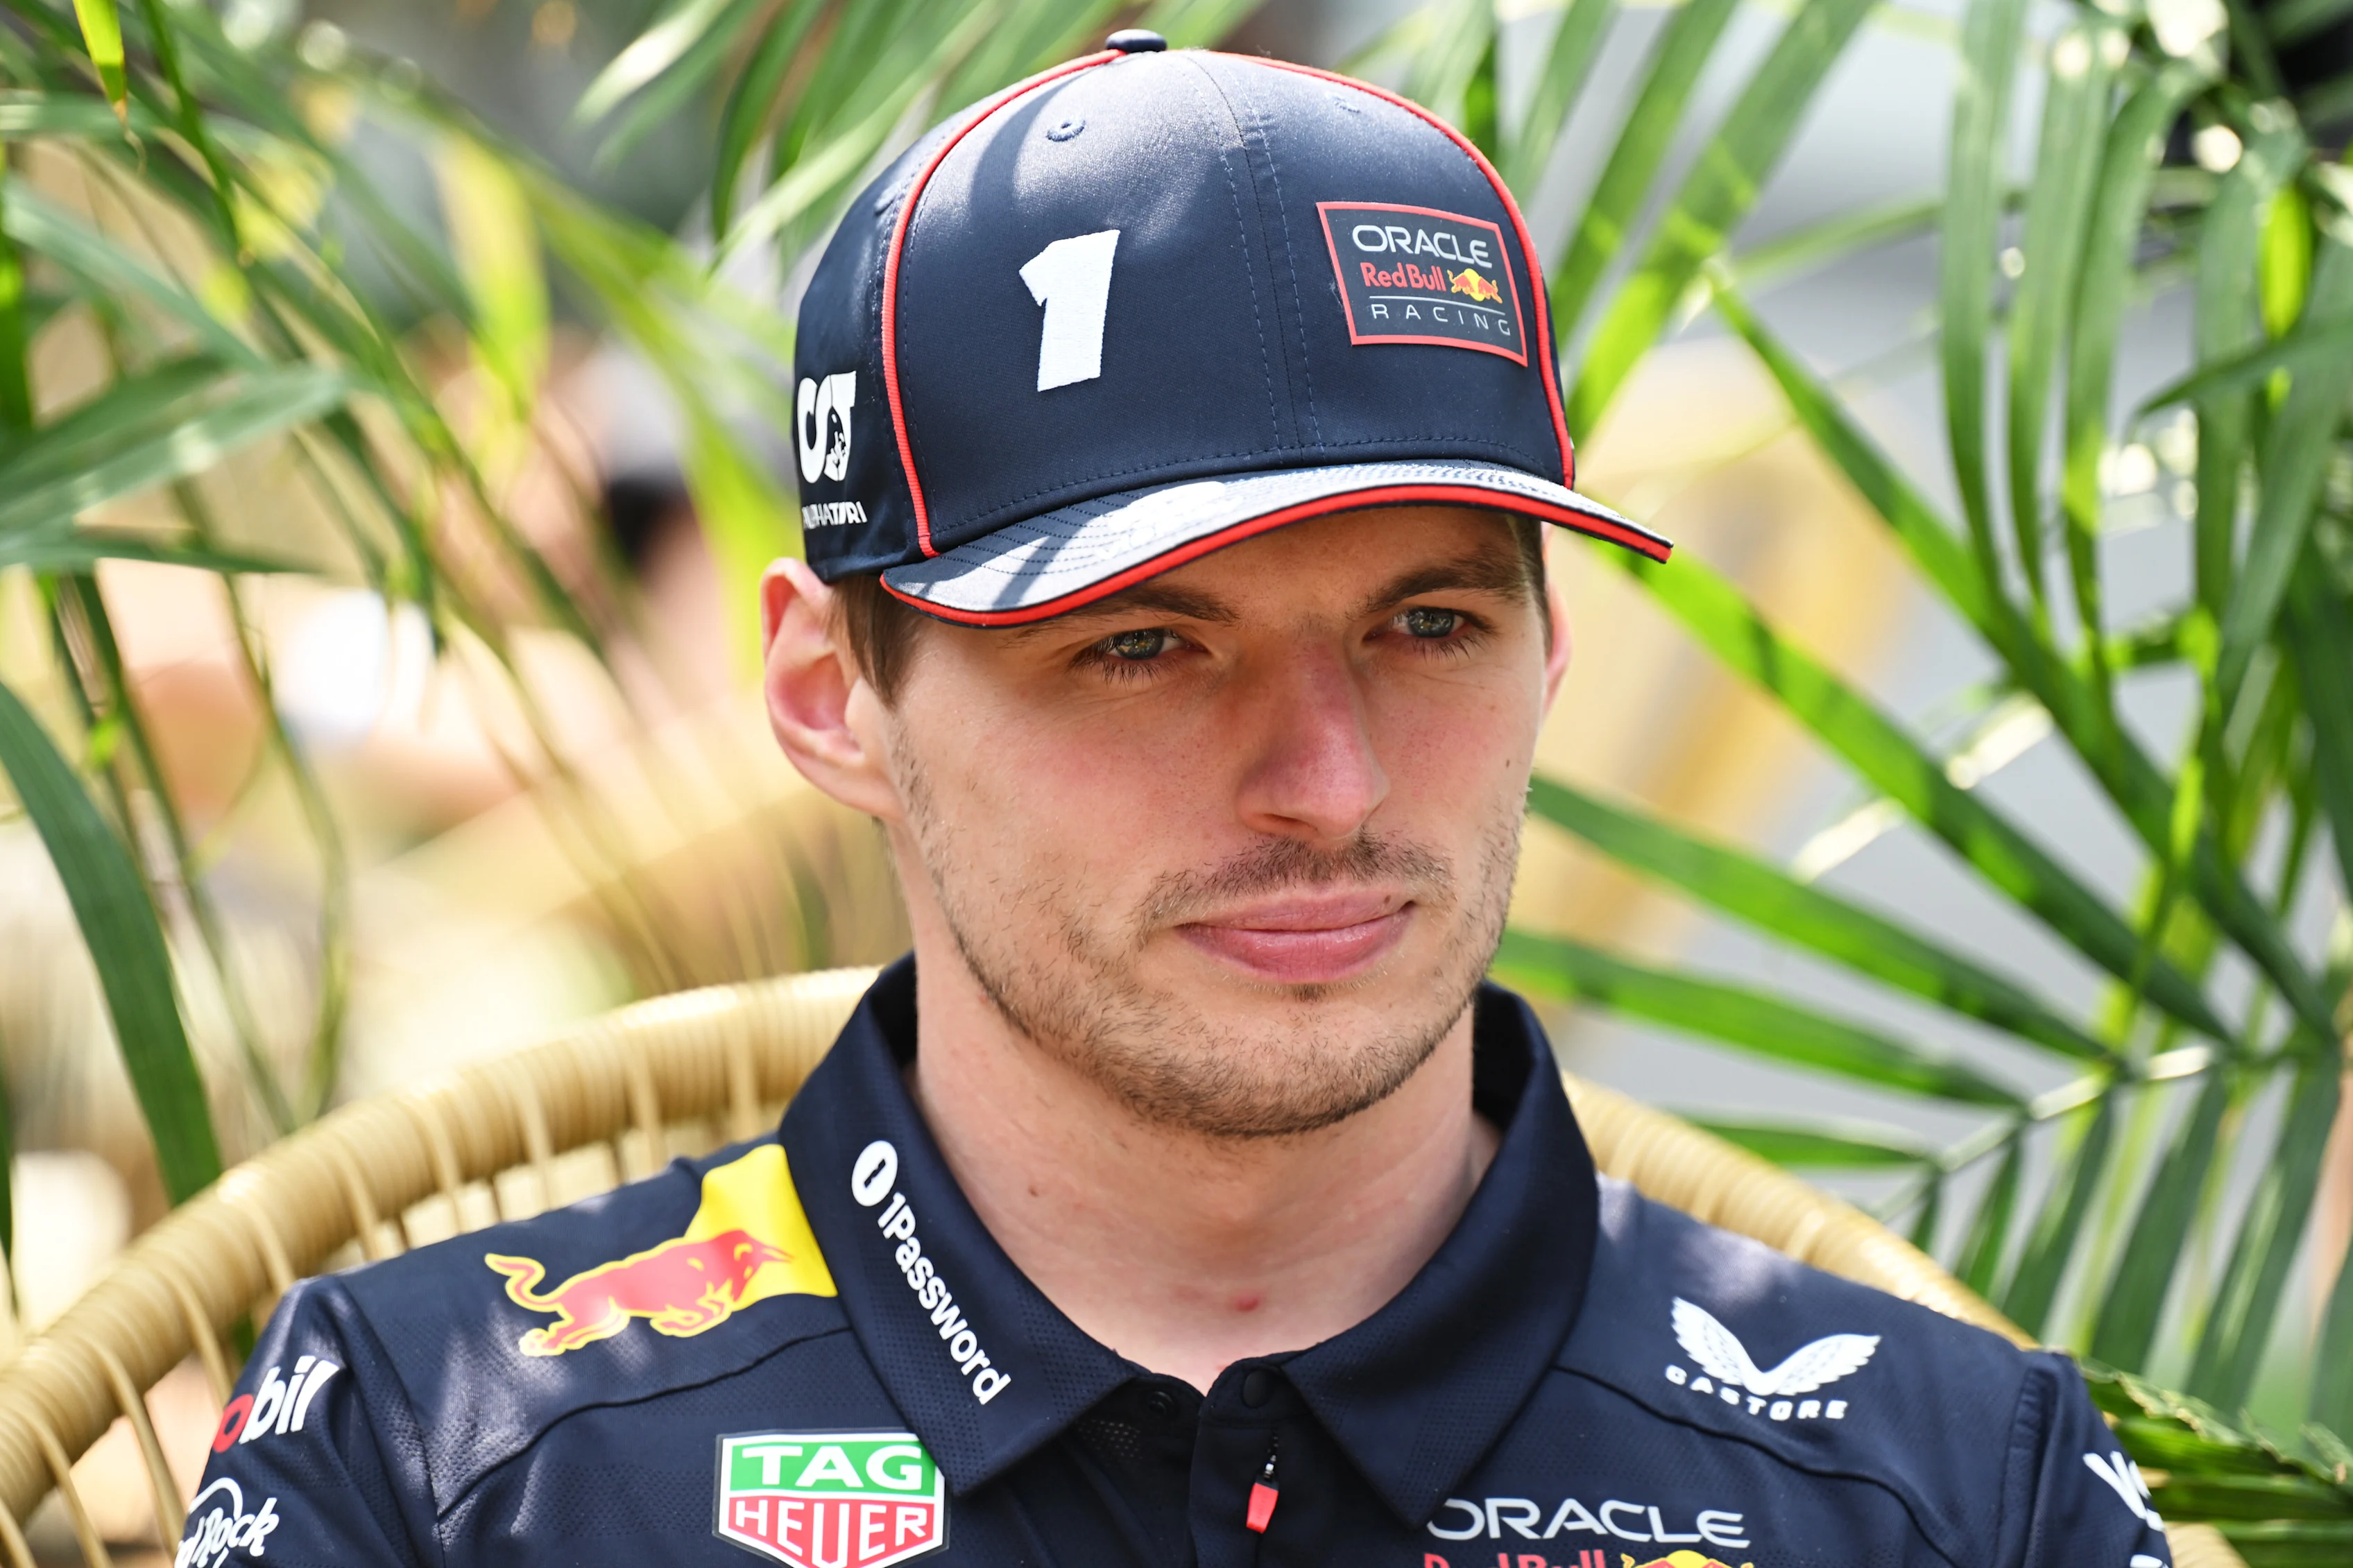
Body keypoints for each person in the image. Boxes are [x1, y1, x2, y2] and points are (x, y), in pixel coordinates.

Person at [178, 34, 2174, 1568]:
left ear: (1552, 648)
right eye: (1142, 644)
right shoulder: (435, 1451)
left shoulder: (1950, 1482)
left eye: (1427, 622)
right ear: (828, 694)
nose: (1331, 782)